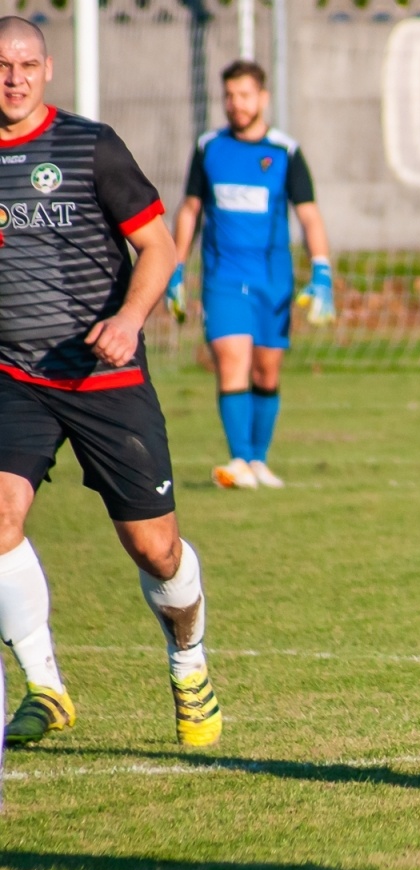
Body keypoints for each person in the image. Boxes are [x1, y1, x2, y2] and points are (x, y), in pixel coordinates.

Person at [0, 17, 220, 748]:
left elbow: (155, 246)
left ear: (48, 69)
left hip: (103, 373)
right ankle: (46, 685)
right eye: (2, 64)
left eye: (27, 63)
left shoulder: (90, 145)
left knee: (155, 549)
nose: (14, 77)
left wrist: (129, 317)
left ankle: (188, 661)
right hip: (15, 374)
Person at [167, 58, 334, 491]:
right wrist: (175, 267)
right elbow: (190, 210)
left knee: (267, 371)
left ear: (262, 98)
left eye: (243, 95)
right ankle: (238, 459)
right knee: (232, 359)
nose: (235, 104)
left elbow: (310, 217)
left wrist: (322, 271)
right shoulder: (209, 148)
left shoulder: (285, 152)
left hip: (273, 281)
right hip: (223, 278)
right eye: (228, 96)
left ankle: (258, 461)